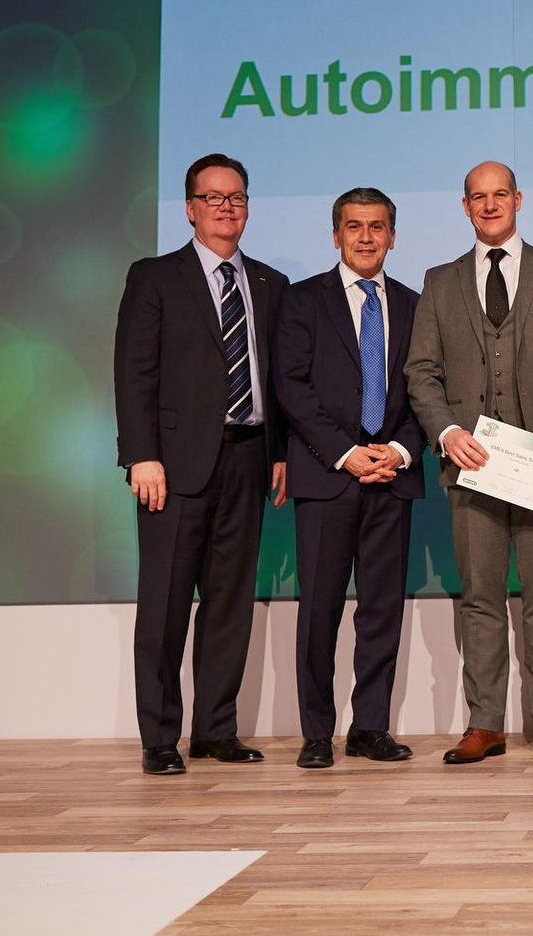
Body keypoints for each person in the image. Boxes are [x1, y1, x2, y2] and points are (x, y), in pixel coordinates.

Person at [404, 161, 533, 765]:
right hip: (472, 466)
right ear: (465, 206)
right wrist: (446, 432)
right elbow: (421, 373)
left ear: (518, 199)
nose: (490, 205)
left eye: (500, 195)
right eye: (479, 197)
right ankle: (485, 724)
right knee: (480, 600)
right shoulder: (440, 281)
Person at [113, 153, 287, 776]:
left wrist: (281, 452)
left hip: (249, 458)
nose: (225, 207)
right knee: (164, 606)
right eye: (213, 198)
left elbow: (280, 378)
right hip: (172, 468)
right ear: (190, 208)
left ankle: (216, 730)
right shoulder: (155, 278)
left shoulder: (269, 283)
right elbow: (134, 372)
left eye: (236, 197)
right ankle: (160, 737)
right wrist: (142, 456)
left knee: (229, 605)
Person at [272, 188, 426, 770]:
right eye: (354, 226)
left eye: (377, 226)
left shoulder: (415, 305)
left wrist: (400, 451)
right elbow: (291, 387)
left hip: (391, 479)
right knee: (319, 611)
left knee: (382, 610)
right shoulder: (301, 300)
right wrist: (345, 453)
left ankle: (370, 728)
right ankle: (317, 732)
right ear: (336, 235)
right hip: (326, 477)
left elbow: (425, 391)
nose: (366, 237)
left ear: (393, 236)